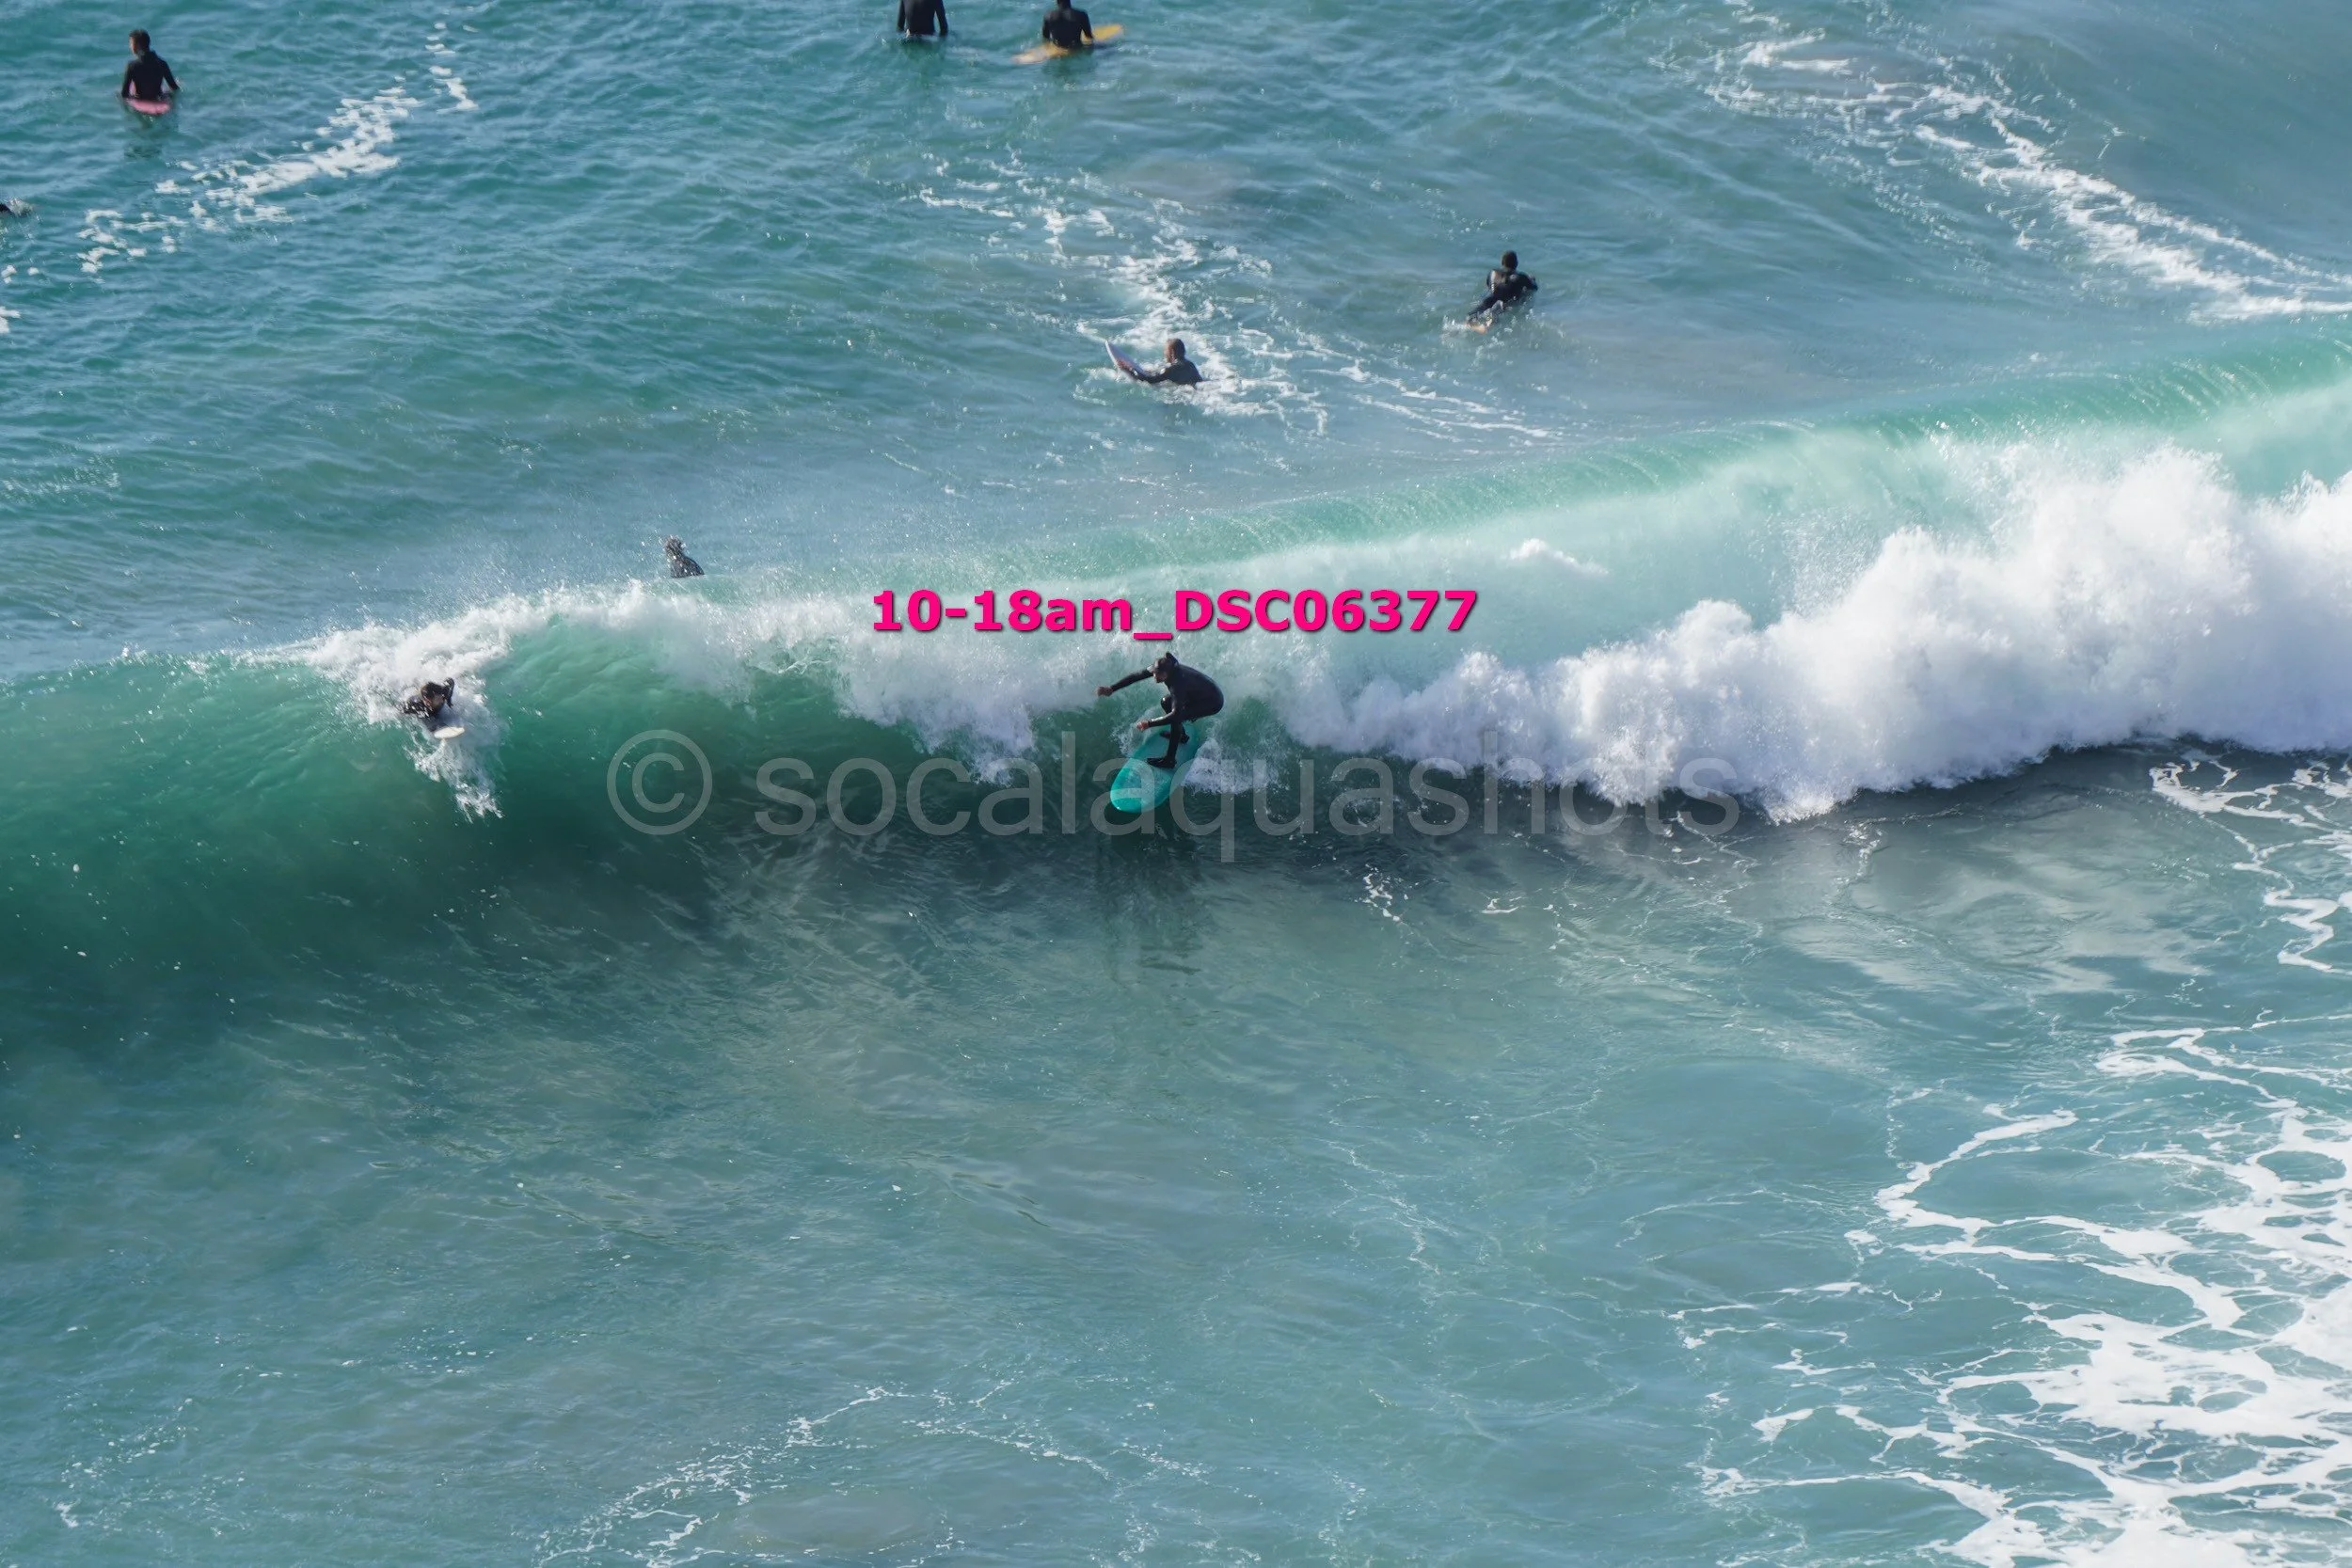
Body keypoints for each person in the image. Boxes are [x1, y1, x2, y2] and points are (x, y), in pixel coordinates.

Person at [1098, 652, 1224, 768]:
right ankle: (1181, 735)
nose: (1154, 676)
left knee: (1177, 717)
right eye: (1153, 672)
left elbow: (1175, 715)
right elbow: (1137, 676)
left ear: (1166, 674)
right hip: (1197, 694)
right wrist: (1112, 688)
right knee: (1166, 702)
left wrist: (1149, 723)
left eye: (1157, 675)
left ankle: (1170, 760)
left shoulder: (1177, 684)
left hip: (1212, 702)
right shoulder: (1161, 668)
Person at [1468, 249, 1537, 325]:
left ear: (1502, 262)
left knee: (1474, 314)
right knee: (1497, 311)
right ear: (1516, 264)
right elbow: (1534, 288)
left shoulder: (1493, 272)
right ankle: (1488, 325)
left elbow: (1488, 285)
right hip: (1506, 301)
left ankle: (1469, 323)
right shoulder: (1521, 277)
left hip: (1490, 298)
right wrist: (1531, 279)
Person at [119, 30, 179, 105]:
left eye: (130, 43)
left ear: (137, 45)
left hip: (140, 102)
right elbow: (174, 88)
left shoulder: (132, 65)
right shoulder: (162, 63)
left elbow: (124, 94)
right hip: (159, 99)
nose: (130, 46)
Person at [1120, 338, 1202, 388]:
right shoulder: (1191, 365)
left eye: (1165, 351)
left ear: (1172, 352)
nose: (1164, 354)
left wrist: (1129, 369)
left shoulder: (1171, 369)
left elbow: (1148, 381)